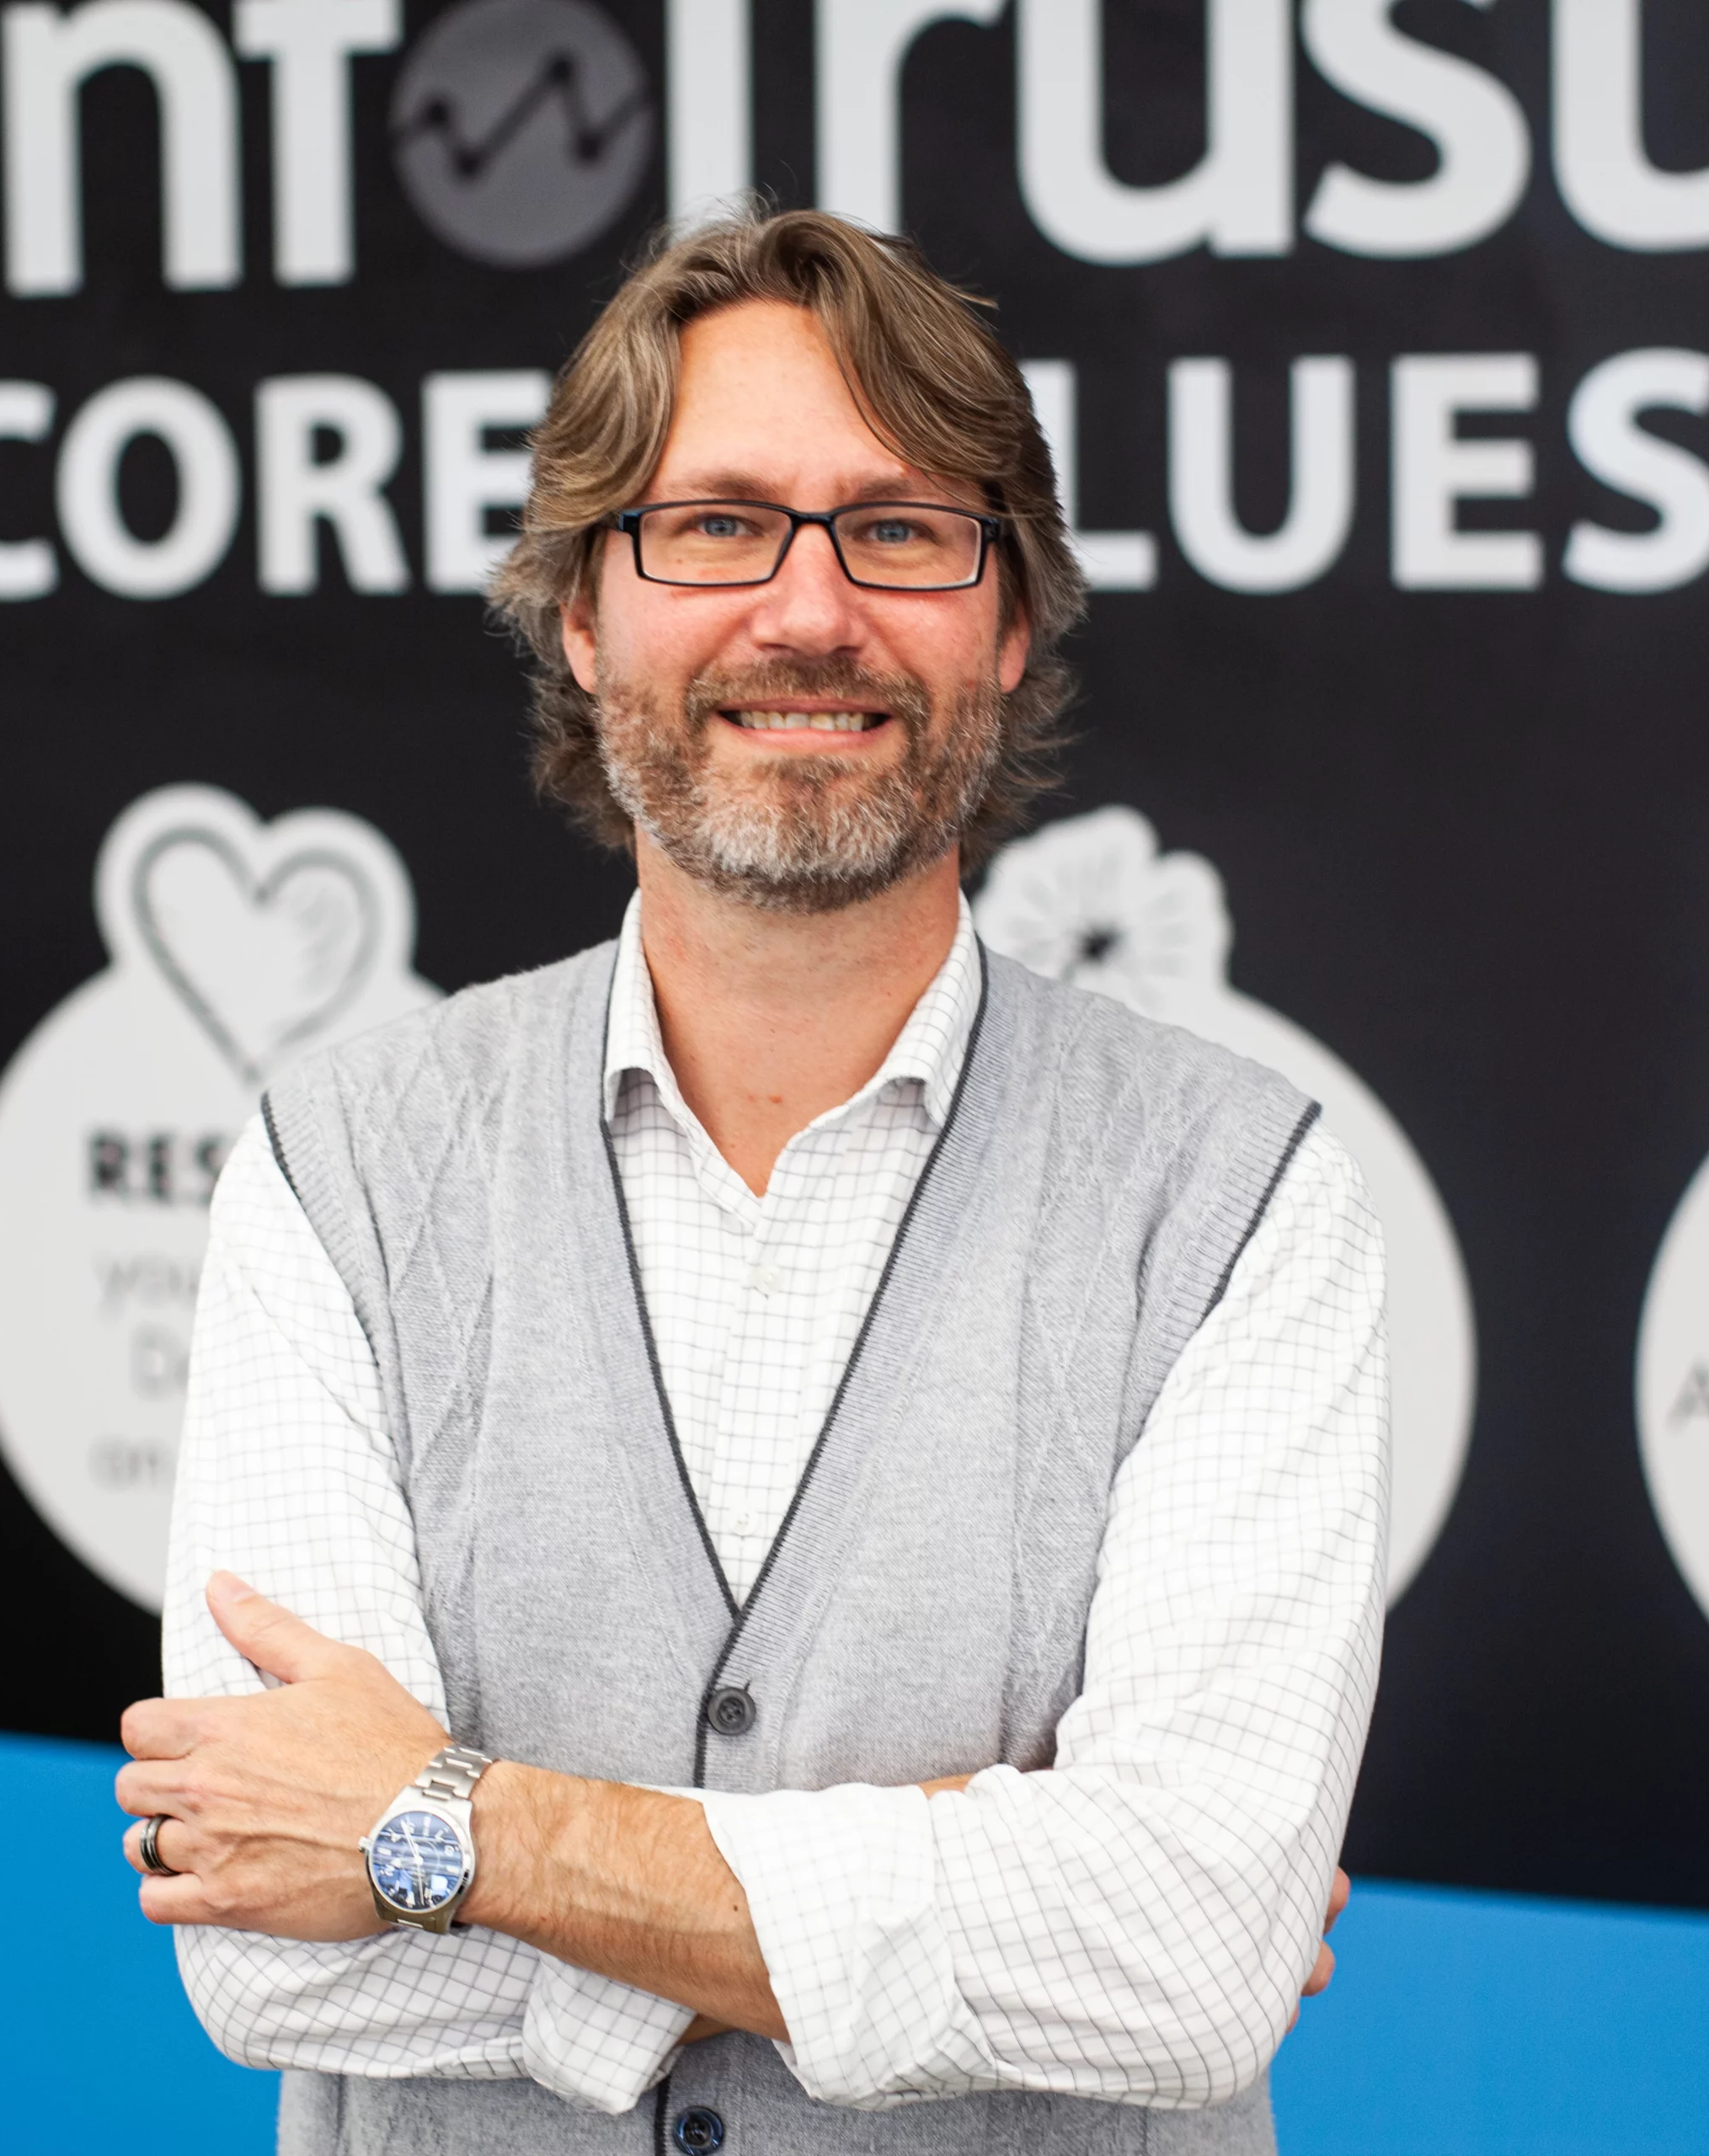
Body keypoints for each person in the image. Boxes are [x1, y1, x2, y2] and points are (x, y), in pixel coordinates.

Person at [117, 207, 1386, 2156]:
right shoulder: (338, 1170)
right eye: (713, 524)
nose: (807, 612)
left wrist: (450, 1830)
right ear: (580, 612)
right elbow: (268, 1941)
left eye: (898, 529)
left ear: (1009, 616)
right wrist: (989, 1889)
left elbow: (1181, 1952)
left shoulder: (1239, 1200)